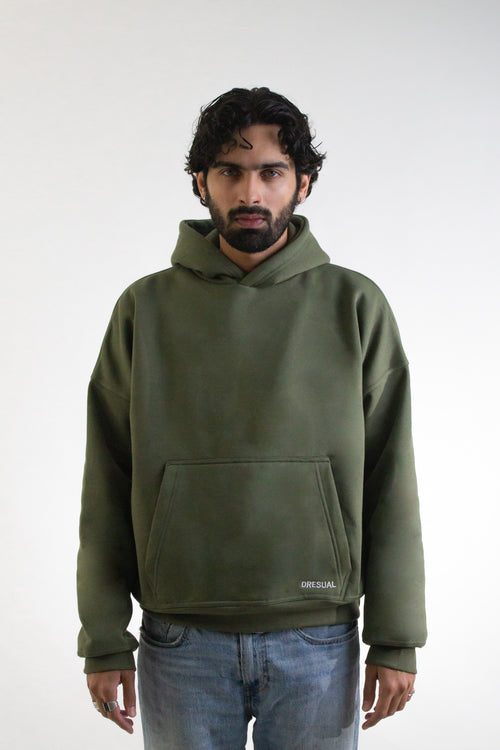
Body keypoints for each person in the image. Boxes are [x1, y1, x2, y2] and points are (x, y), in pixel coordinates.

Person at [77, 86, 426, 750]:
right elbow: (106, 481)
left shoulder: (354, 304)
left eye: (271, 172)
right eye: (229, 172)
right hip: (180, 638)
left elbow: (391, 479)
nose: (250, 192)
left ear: (303, 183)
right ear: (200, 183)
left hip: (318, 637)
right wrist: (103, 638)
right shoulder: (144, 309)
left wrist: (397, 638)